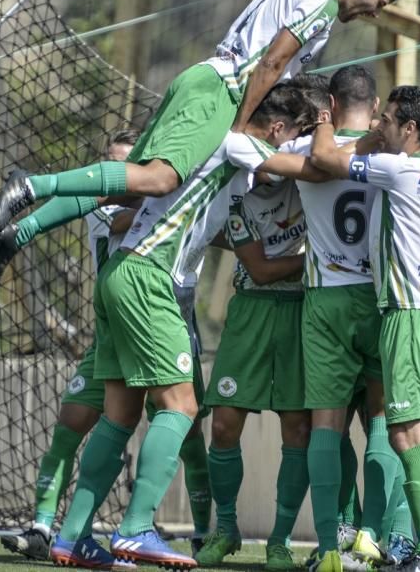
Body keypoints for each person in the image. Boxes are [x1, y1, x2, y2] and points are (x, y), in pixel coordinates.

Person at [48, 83, 321, 570]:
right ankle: (135, 529)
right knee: (182, 405)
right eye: (291, 133)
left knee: (120, 413)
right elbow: (311, 165)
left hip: (119, 273)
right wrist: (331, 131)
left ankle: (71, 535)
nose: (288, 143)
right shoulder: (238, 143)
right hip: (152, 276)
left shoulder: (202, 139)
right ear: (277, 129)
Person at [0, 0, 402, 235]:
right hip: (220, 93)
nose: (374, 13)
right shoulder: (324, 1)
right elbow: (272, 62)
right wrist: (240, 127)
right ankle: (32, 186)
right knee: (158, 179)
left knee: (128, 186)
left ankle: (22, 231)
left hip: (205, 79)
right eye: (379, 3)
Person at [0, 131, 212, 563]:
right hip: (118, 322)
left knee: (185, 431)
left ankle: (207, 531)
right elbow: (119, 215)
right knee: (75, 421)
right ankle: (47, 525)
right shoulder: (110, 201)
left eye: (126, 168)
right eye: (112, 167)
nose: (119, 178)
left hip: (169, 320)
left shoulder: (166, 192)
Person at [310, 85, 420, 572]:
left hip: (409, 315)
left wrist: (323, 117)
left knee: (409, 434)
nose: (380, 125)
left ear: (409, 130)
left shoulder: (400, 169)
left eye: (388, 119)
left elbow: (326, 159)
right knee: (407, 433)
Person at [196, 76, 331, 571]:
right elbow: (260, 268)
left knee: (296, 427)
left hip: (299, 313)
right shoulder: (235, 193)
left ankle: (279, 541)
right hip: (251, 311)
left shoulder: (308, 178)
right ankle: (225, 529)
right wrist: (317, 257)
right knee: (226, 422)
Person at [279, 66, 405, 572]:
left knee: (326, 425)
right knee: (382, 420)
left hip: (326, 300)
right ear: (376, 109)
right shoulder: (394, 154)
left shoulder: (310, 150)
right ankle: (373, 536)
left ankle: (330, 545)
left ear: (330, 102)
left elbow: (261, 171)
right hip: (381, 297)